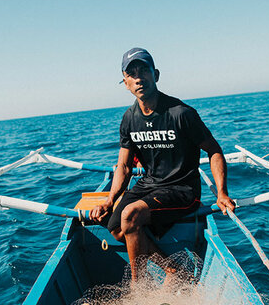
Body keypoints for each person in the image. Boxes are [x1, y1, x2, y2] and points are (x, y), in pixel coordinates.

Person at [89, 48, 235, 283]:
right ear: (125, 83)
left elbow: (215, 151)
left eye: (144, 70)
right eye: (132, 73)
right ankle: (173, 270)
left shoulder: (181, 113)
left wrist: (221, 193)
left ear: (155, 74)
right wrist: (108, 200)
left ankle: (139, 289)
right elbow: (124, 167)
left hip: (183, 190)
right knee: (115, 226)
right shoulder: (129, 118)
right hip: (151, 185)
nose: (139, 78)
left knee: (131, 214)